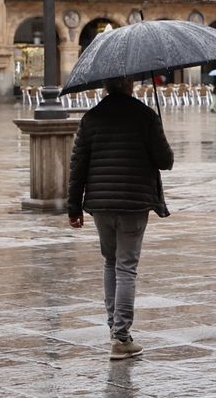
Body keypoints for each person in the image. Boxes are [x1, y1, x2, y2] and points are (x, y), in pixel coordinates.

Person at [67, 76, 174, 360]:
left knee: (111, 262)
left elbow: (77, 165)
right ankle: (122, 337)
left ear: (105, 87)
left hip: (100, 204)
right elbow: (166, 161)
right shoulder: (145, 116)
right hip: (134, 202)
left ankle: (114, 327)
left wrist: (73, 207)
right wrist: (158, 129)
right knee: (126, 266)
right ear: (129, 86)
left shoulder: (90, 119)